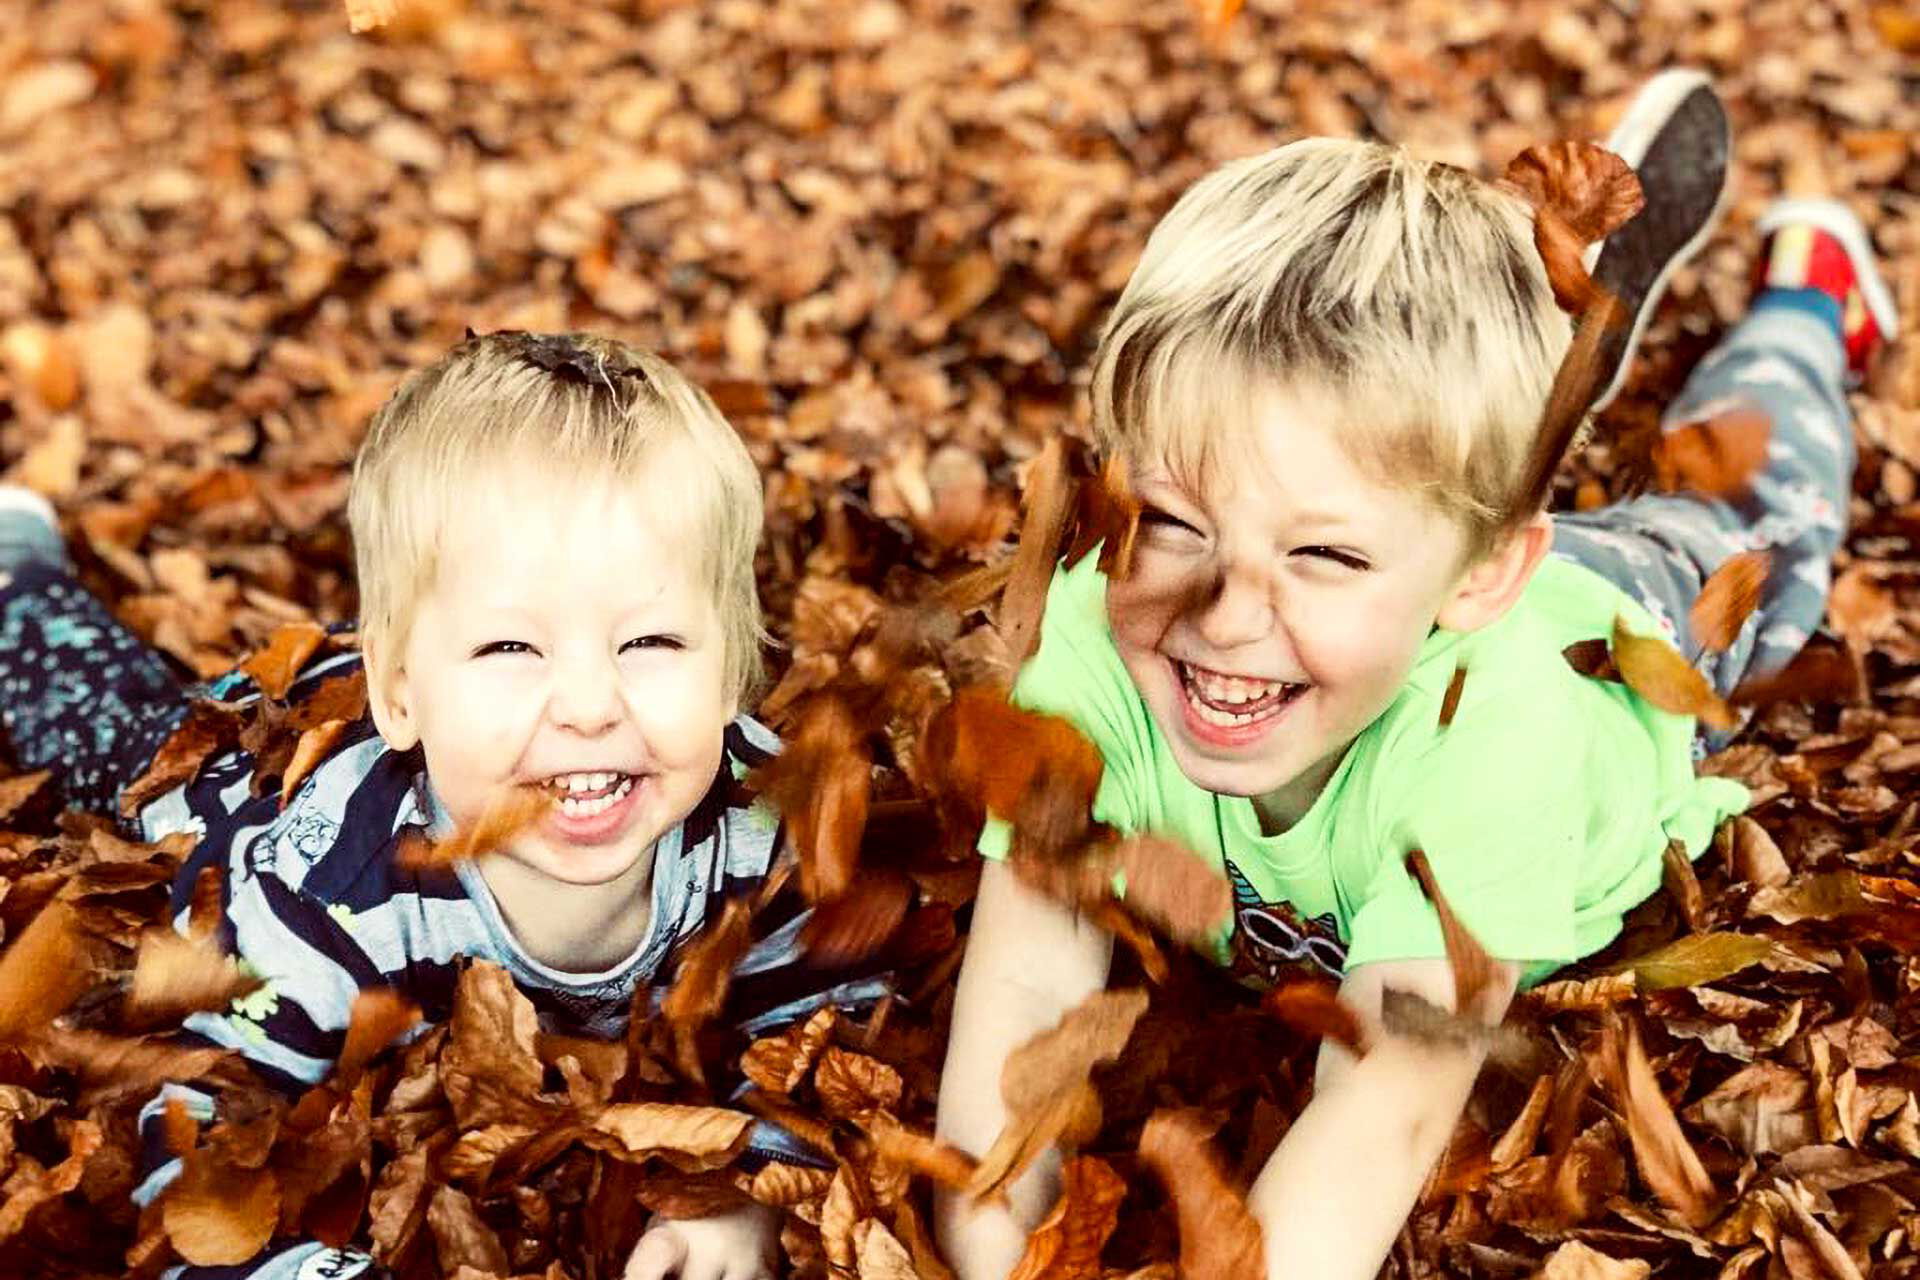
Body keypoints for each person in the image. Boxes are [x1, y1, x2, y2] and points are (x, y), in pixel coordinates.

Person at [933, 70, 1899, 1280]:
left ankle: (1807, 308)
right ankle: (1535, 370)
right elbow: (1024, 978)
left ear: (1484, 575)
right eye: (1175, 522)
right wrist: (990, 1249)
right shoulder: (1093, 647)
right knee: (1417, 476)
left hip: (1619, 625)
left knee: (1761, 510)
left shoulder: (1500, 752)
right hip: (1422, 568)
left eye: (1316, 552)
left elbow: (1382, 1098)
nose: (1223, 614)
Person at [0, 333, 887, 1280]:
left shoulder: (769, 838)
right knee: (104, 730)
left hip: (443, 716)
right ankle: (22, 582)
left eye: (653, 640)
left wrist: (747, 1196)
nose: (591, 706)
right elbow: (195, 1137)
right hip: (254, 768)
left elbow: (827, 1052)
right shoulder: (321, 895)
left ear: (733, 673)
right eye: (512, 648)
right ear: (402, 693)